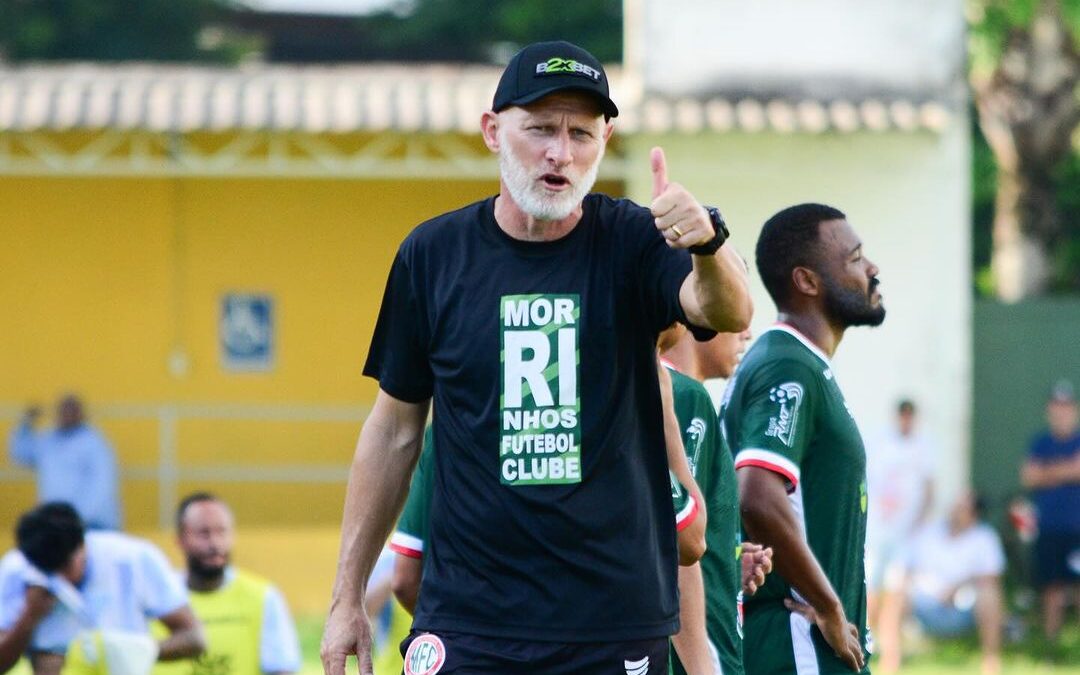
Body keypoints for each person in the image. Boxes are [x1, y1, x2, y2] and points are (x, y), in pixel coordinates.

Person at [321, 38, 751, 675]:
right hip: (468, 621)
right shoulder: (432, 255)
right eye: (542, 128)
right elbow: (393, 431)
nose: (561, 153)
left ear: (606, 140)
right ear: (493, 131)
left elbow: (727, 312)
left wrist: (707, 244)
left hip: (611, 623)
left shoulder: (635, 239)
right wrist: (347, 597)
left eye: (582, 133)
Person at [722, 203, 885, 674]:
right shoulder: (787, 365)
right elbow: (756, 494)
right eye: (855, 258)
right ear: (807, 281)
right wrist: (829, 607)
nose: (872, 269)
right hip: (799, 644)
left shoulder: (799, 363)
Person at [660, 321, 773, 675]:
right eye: (736, 315)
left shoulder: (669, 391)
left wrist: (724, 564)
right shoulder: (683, 395)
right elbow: (674, 542)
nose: (746, 333)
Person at [0, 502, 204, 675]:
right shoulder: (17, 570)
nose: (60, 579)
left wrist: (128, 651)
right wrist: (28, 617)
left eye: (66, 567)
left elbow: (194, 639)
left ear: (82, 544)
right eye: (50, 571)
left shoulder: (134, 558)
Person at [153, 493, 301, 675]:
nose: (214, 543)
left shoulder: (263, 597)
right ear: (180, 539)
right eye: (204, 533)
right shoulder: (155, 598)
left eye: (222, 531)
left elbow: (282, 668)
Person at [877, 492, 1005, 675]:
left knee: (990, 595)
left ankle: (991, 662)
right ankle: (889, 662)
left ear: (974, 514)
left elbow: (991, 577)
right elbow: (905, 566)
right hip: (924, 601)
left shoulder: (985, 538)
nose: (954, 510)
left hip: (964, 604)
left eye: (961, 508)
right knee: (895, 593)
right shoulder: (928, 532)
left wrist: (958, 587)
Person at [865, 399, 935, 650]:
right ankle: (866, 638)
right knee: (870, 587)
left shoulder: (923, 446)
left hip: (904, 531)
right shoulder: (880, 441)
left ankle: (890, 650)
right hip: (877, 529)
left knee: (896, 589)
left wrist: (919, 522)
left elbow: (929, 487)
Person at [1020, 380, 1080, 641]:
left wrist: (1048, 471)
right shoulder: (1040, 442)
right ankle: (1051, 641)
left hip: (1077, 525)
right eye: (1057, 406)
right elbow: (1029, 477)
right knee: (1051, 586)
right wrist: (1067, 469)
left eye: (1066, 406)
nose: (1061, 412)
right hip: (1049, 525)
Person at [8, 396, 121, 531]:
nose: (65, 415)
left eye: (70, 411)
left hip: (91, 523)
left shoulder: (94, 443)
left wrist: (77, 517)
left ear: (80, 414)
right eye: (62, 411)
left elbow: (101, 484)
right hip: (57, 523)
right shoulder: (48, 440)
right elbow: (20, 454)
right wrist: (26, 425)